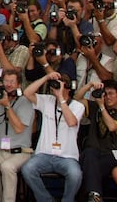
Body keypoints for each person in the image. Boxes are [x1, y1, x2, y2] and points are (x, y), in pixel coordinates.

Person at [20, 72, 85, 202]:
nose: (54, 89)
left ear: (67, 87)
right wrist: (46, 77)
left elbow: (72, 122)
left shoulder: (78, 106)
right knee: (27, 169)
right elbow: (27, 93)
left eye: (59, 86)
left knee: (75, 175)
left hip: (67, 157)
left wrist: (61, 98)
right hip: (44, 154)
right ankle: (46, 200)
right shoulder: (47, 101)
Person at [0, 68, 35, 202]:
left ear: (19, 84)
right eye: (6, 81)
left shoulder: (25, 102)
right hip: (0, 151)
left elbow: (19, 128)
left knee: (7, 167)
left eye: (12, 82)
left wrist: (8, 106)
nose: (8, 85)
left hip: (21, 151)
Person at [73, 80, 117, 202]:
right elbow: (76, 100)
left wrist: (102, 106)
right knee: (89, 155)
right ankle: (95, 196)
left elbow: (112, 127)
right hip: (94, 152)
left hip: (113, 154)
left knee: (87, 167)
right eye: (105, 94)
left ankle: (90, 196)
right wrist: (89, 86)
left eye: (111, 93)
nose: (107, 97)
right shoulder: (95, 106)